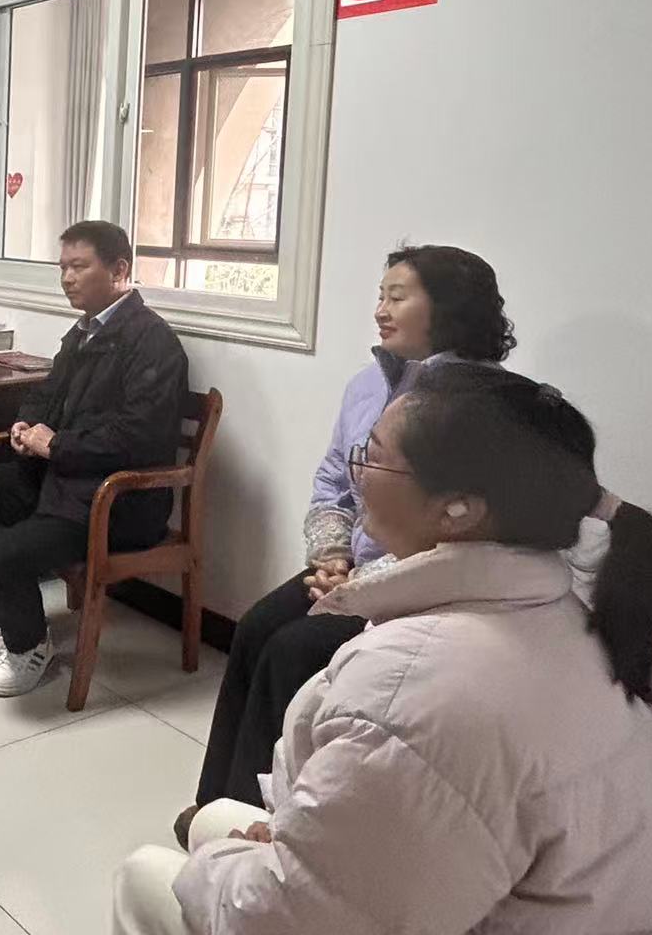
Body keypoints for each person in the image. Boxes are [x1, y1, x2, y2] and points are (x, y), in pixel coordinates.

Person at [114, 364, 652, 934]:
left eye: (374, 456)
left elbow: (284, 922)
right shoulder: (562, 613)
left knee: (143, 875)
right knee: (214, 818)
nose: (357, 472)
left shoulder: (411, 695)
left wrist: (244, 860)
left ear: (459, 509)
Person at [178, 244, 513, 842]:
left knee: (292, 650)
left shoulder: (485, 405)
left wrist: (364, 584)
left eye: (397, 297)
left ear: (447, 307)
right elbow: (333, 479)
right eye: (380, 296)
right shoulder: (368, 385)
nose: (380, 310)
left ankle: (267, 830)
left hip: (421, 588)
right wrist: (332, 554)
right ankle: (216, 807)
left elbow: (463, 531)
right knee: (255, 627)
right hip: (351, 566)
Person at [0, 220, 188, 697]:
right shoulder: (83, 333)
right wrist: (25, 425)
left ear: (119, 269)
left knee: (1, 554)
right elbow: (46, 395)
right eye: (63, 268)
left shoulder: (153, 343)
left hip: (114, 503)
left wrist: (56, 446)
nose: (67, 278)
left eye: (79, 267)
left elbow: (139, 438)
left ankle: (28, 648)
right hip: (62, 482)